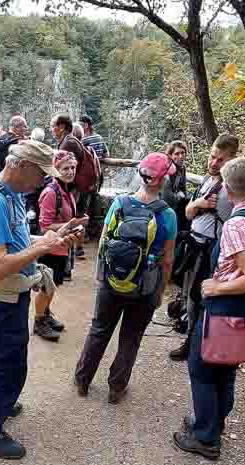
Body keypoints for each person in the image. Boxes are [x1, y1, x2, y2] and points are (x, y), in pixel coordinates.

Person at [0, 140, 84, 460]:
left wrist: (55, 238)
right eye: (40, 173)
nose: (45, 180)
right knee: (8, 366)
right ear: (19, 166)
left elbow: (17, 241)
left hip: (11, 295)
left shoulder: (13, 195)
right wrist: (42, 247)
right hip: (2, 297)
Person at [168, 117, 245, 361]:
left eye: (220, 159)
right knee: (190, 295)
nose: (213, 163)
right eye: (212, 156)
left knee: (202, 297)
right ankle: (191, 335)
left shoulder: (231, 182)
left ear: (232, 160)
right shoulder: (207, 180)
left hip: (212, 249)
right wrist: (199, 204)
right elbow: (188, 213)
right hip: (194, 245)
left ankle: (196, 344)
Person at [173, 158, 245, 460]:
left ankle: (205, 438)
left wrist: (216, 287)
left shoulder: (236, 225)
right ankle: (213, 422)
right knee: (225, 368)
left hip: (227, 306)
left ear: (227, 189)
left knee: (201, 367)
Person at [74, 153, 177, 404]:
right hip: (145, 285)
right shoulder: (168, 214)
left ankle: (83, 380)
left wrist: (101, 277)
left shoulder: (120, 203)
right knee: (131, 337)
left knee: (99, 330)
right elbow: (168, 259)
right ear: (160, 180)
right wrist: (160, 291)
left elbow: (103, 243)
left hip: (112, 281)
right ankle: (116, 388)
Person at [33, 150, 86, 341]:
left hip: (62, 247)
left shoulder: (66, 190)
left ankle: (46, 315)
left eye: (73, 168)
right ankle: (39, 322)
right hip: (50, 248)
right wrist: (72, 224)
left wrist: (76, 224)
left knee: (53, 285)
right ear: (56, 169)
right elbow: (44, 225)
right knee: (47, 286)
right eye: (66, 168)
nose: (71, 171)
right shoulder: (50, 193)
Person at [51, 113, 88, 261]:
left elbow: (67, 167)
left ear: (61, 127)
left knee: (70, 219)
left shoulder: (68, 143)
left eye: (53, 126)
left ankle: (72, 251)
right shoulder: (71, 140)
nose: (52, 129)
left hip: (72, 188)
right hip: (76, 187)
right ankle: (75, 250)